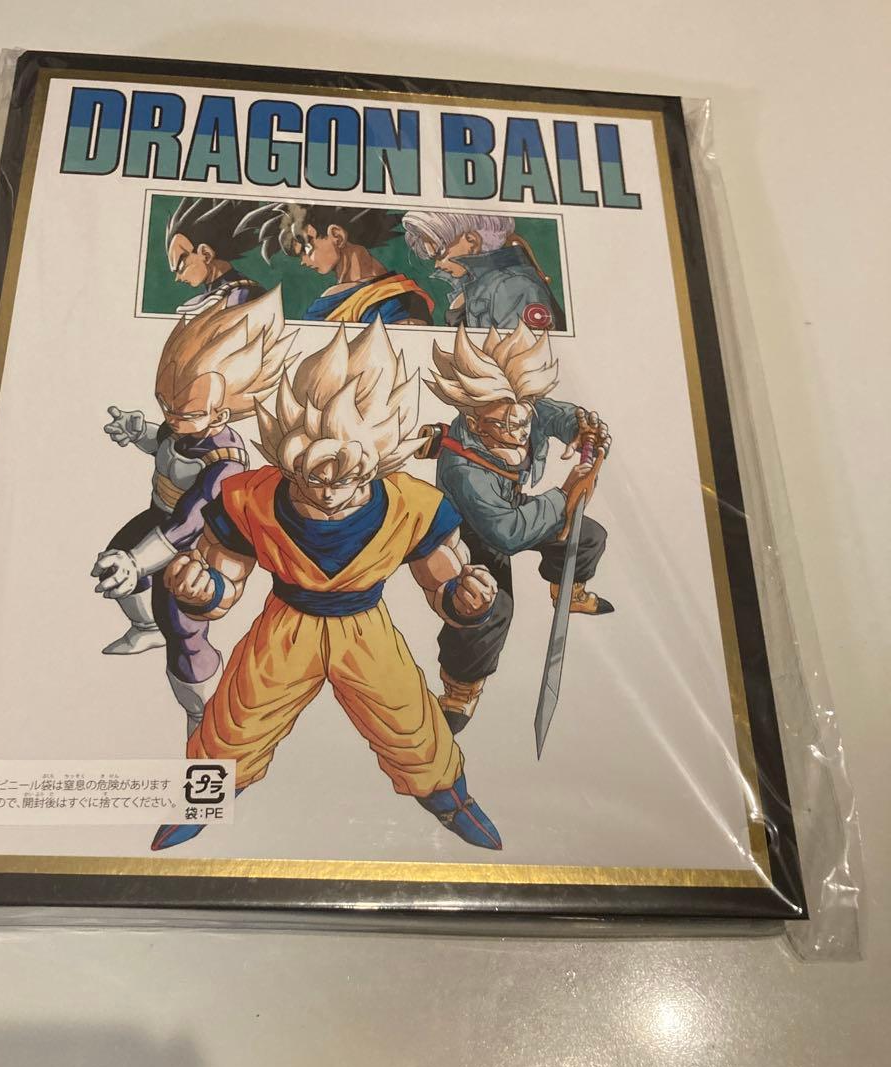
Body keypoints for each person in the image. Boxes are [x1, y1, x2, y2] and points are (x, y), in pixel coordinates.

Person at [150, 318, 503, 852]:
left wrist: (466, 598)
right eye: (314, 478)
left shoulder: (412, 504)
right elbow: (226, 576)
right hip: (285, 627)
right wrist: (202, 590)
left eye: (350, 479)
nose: (331, 494)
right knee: (236, 722)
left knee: (411, 724)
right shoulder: (250, 498)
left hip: (366, 630)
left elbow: (443, 584)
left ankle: (450, 800)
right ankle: (202, 800)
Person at [92, 287, 297, 737]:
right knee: (118, 562)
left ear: (219, 416)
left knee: (182, 623)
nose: (171, 416)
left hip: (200, 542)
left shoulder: (225, 461)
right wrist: (139, 431)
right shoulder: (183, 420)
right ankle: (145, 626)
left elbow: (189, 522)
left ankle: (204, 710)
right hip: (159, 514)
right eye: (166, 405)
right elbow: (165, 443)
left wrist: (138, 561)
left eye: (182, 411)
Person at [420, 322, 610, 733]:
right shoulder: (464, 469)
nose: (519, 432)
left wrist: (579, 428)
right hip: (469, 531)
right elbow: (507, 533)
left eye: (522, 422)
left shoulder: (519, 410)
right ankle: (460, 689)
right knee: (487, 607)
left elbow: (550, 414)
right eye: (505, 426)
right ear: (474, 421)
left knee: (587, 536)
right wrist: (563, 496)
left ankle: (569, 592)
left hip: (510, 509)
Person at [241, 201, 433, 324]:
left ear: (337, 236)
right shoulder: (331, 298)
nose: (304, 262)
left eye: (306, 250)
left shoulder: (398, 301)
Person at [402, 210, 565, 331]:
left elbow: (523, 359)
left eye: (439, 253)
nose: (437, 265)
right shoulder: (479, 287)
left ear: (471, 241)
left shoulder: (512, 286)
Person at [164, 197, 266, 315]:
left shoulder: (245, 295)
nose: (177, 278)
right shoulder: (195, 303)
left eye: (181, 266)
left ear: (206, 254)